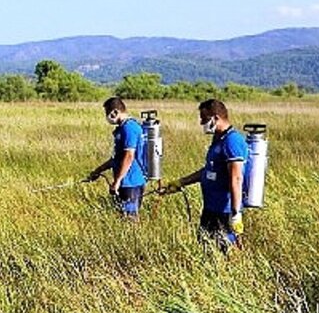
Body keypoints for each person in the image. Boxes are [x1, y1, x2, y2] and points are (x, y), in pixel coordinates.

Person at [160, 99, 249, 251]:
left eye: (204, 118)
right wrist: (180, 183)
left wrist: (236, 215)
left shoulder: (232, 141)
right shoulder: (218, 139)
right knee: (205, 247)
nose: (201, 122)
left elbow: (236, 178)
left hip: (225, 211)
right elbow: (207, 171)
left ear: (216, 118)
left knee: (224, 251)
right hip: (210, 208)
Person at [85, 97, 148, 218]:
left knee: (130, 218)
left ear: (114, 112)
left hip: (131, 182)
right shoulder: (122, 128)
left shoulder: (129, 128)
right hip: (124, 182)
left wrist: (117, 181)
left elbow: (129, 156)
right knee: (121, 216)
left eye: (107, 113)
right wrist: (98, 171)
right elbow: (117, 158)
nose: (106, 117)